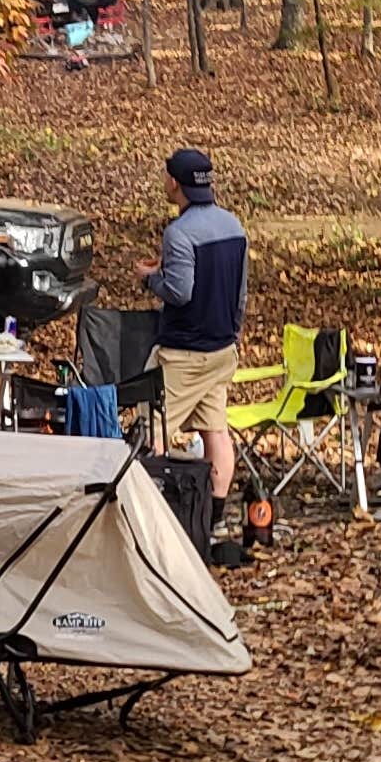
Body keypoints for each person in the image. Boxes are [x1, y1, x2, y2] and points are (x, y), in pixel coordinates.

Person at [143, 144, 249, 510]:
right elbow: (240, 292)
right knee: (215, 430)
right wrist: (232, 333)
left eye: (165, 176)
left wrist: (150, 279)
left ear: (174, 183)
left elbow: (180, 291)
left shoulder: (179, 233)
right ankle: (212, 516)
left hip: (183, 355)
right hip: (222, 350)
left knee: (152, 426)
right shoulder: (234, 226)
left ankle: (151, 511)